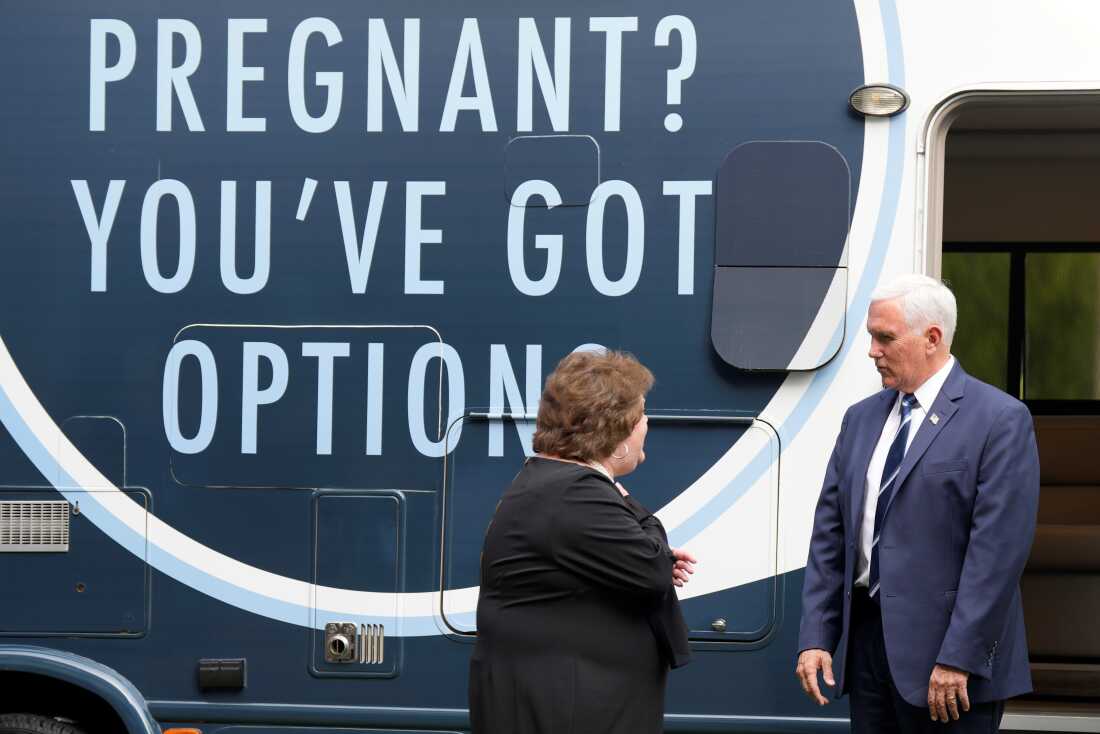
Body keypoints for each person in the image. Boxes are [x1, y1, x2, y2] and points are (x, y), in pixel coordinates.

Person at [795, 275, 1039, 732]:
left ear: (932, 338)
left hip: (948, 664)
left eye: (884, 337)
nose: (872, 350)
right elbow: (831, 536)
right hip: (868, 649)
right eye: (871, 336)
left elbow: (997, 556)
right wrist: (816, 636)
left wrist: (958, 658)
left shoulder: (1000, 419)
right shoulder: (860, 418)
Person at [469, 349, 696, 734]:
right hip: (567, 709)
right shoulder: (573, 492)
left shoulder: (558, 485)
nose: (647, 423)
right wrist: (636, 515)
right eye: (640, 415)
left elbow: (636, 560)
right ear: (614, 432)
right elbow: (652, 569)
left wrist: (639, 532)